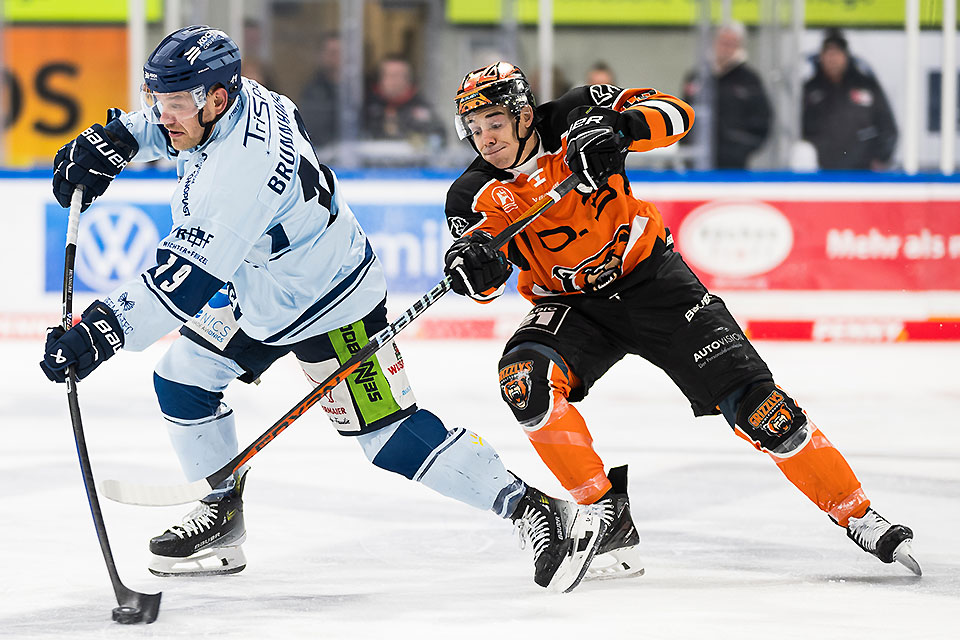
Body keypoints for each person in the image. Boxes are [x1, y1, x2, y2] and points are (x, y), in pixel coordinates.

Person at [40, 26, 606, 593]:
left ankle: (532, 508)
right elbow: (181, 132)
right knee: (183, 377)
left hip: (332, 304)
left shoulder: (240, 174)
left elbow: (179, 286)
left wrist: (97, 334)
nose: (165, 115)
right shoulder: (241, 100)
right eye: (156, 101)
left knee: (388, 437)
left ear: (217, 97)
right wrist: (117, 140)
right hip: (263, 289)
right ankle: (222, 513)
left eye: (177, 104)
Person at [442, 61, 921, 579]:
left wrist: (620, 129)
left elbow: (677, 114)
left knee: (762, 408)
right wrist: (474, 265)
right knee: (525, 381)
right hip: (572, 306)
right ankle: (605, 516)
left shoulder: (577, 110)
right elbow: (483, 279)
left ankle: (857, 514)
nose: (485, 138)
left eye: (493, 122)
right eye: (474, 128)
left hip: (655, 284)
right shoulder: (470, 193)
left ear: (524, 115)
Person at [802, 29, 898, 170]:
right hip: (820, 175)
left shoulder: (867, 87)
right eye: (828, 53)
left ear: (846, 56)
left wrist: (880, 158)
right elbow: (797, 130)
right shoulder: (809, 90)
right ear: (821, 57)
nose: (832, 59)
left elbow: (888, 129)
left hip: (861, 174)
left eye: (837, 53)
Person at [681, 21, 772, 169]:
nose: (726, 47)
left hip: (733, 165)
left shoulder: (749, 80)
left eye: (732, 43)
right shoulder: (697, 76)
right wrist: (686, 143)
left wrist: (740, 148)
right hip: (696, 161)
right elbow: (683, 112)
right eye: (723, 41)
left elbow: (762, 121)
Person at [363, 55, 445, 148]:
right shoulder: (366, 106)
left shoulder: (422, 108)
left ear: (409, 79)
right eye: (390, 75)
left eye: (399, 76)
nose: (394, 81)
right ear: (380, 79)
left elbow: (439, 138)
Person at [299, 32, 341, 149]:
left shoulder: (360, 88)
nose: (337, 57)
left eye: (341, 53)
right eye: (332, 53)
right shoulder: (313, 91)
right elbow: (313, 129)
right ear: (322, 55)